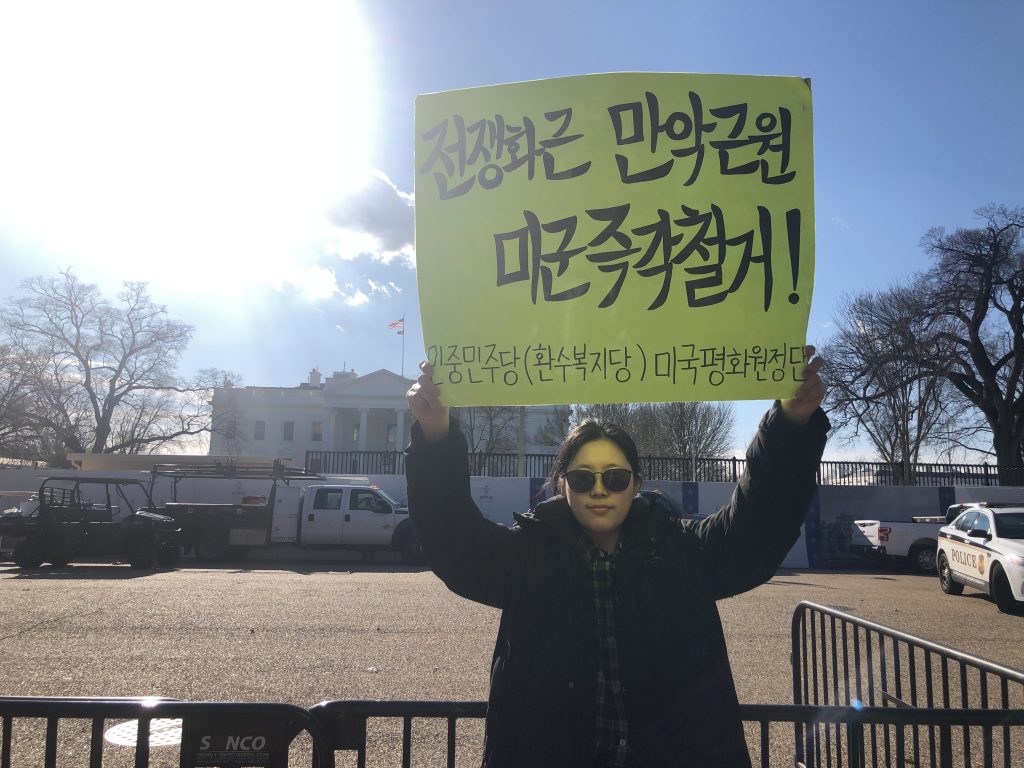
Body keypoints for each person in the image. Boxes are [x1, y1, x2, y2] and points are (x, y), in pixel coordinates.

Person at [404, 347, 829, 768]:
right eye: (582, 479)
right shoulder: (527, 558)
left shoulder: (685, 552)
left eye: (616, 477)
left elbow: (757, 528)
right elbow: (454, 541)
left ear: (637, 483)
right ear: (562, 485)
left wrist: (789, 424)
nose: (599, 490)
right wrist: (435, 435)